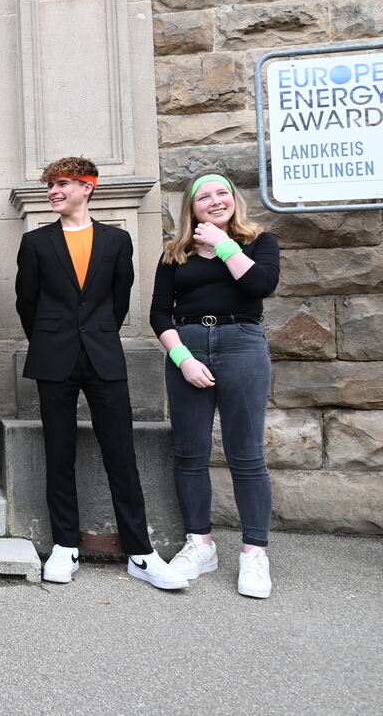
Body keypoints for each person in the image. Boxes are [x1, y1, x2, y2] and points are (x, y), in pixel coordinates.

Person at [15, 157, 188, 590]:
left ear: (87, 188)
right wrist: (53, 337)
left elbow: (119, 298)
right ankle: (64, 546)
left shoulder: (117, 241)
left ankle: (140, 552)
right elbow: (26, 303)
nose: (53, 191)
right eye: (50, 185)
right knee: (59, 451)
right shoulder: (36, 242)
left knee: (121, 453)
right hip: (54, 358)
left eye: (62, 184)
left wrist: (95, 333)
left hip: (103, 355)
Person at [151, 172, 280, 598]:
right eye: (204, 196)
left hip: (242, 342)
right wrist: (182, 358)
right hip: (187, 345)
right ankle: (200, 544)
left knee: (246, 454)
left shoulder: (259, 242)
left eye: (222, 192)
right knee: (190, 452)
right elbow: (159, 313)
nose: (215, 200)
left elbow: (260, 284)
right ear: (192, 208)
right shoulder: (175, 254)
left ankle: (253, 553)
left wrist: (224, 244)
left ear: (233, 200)